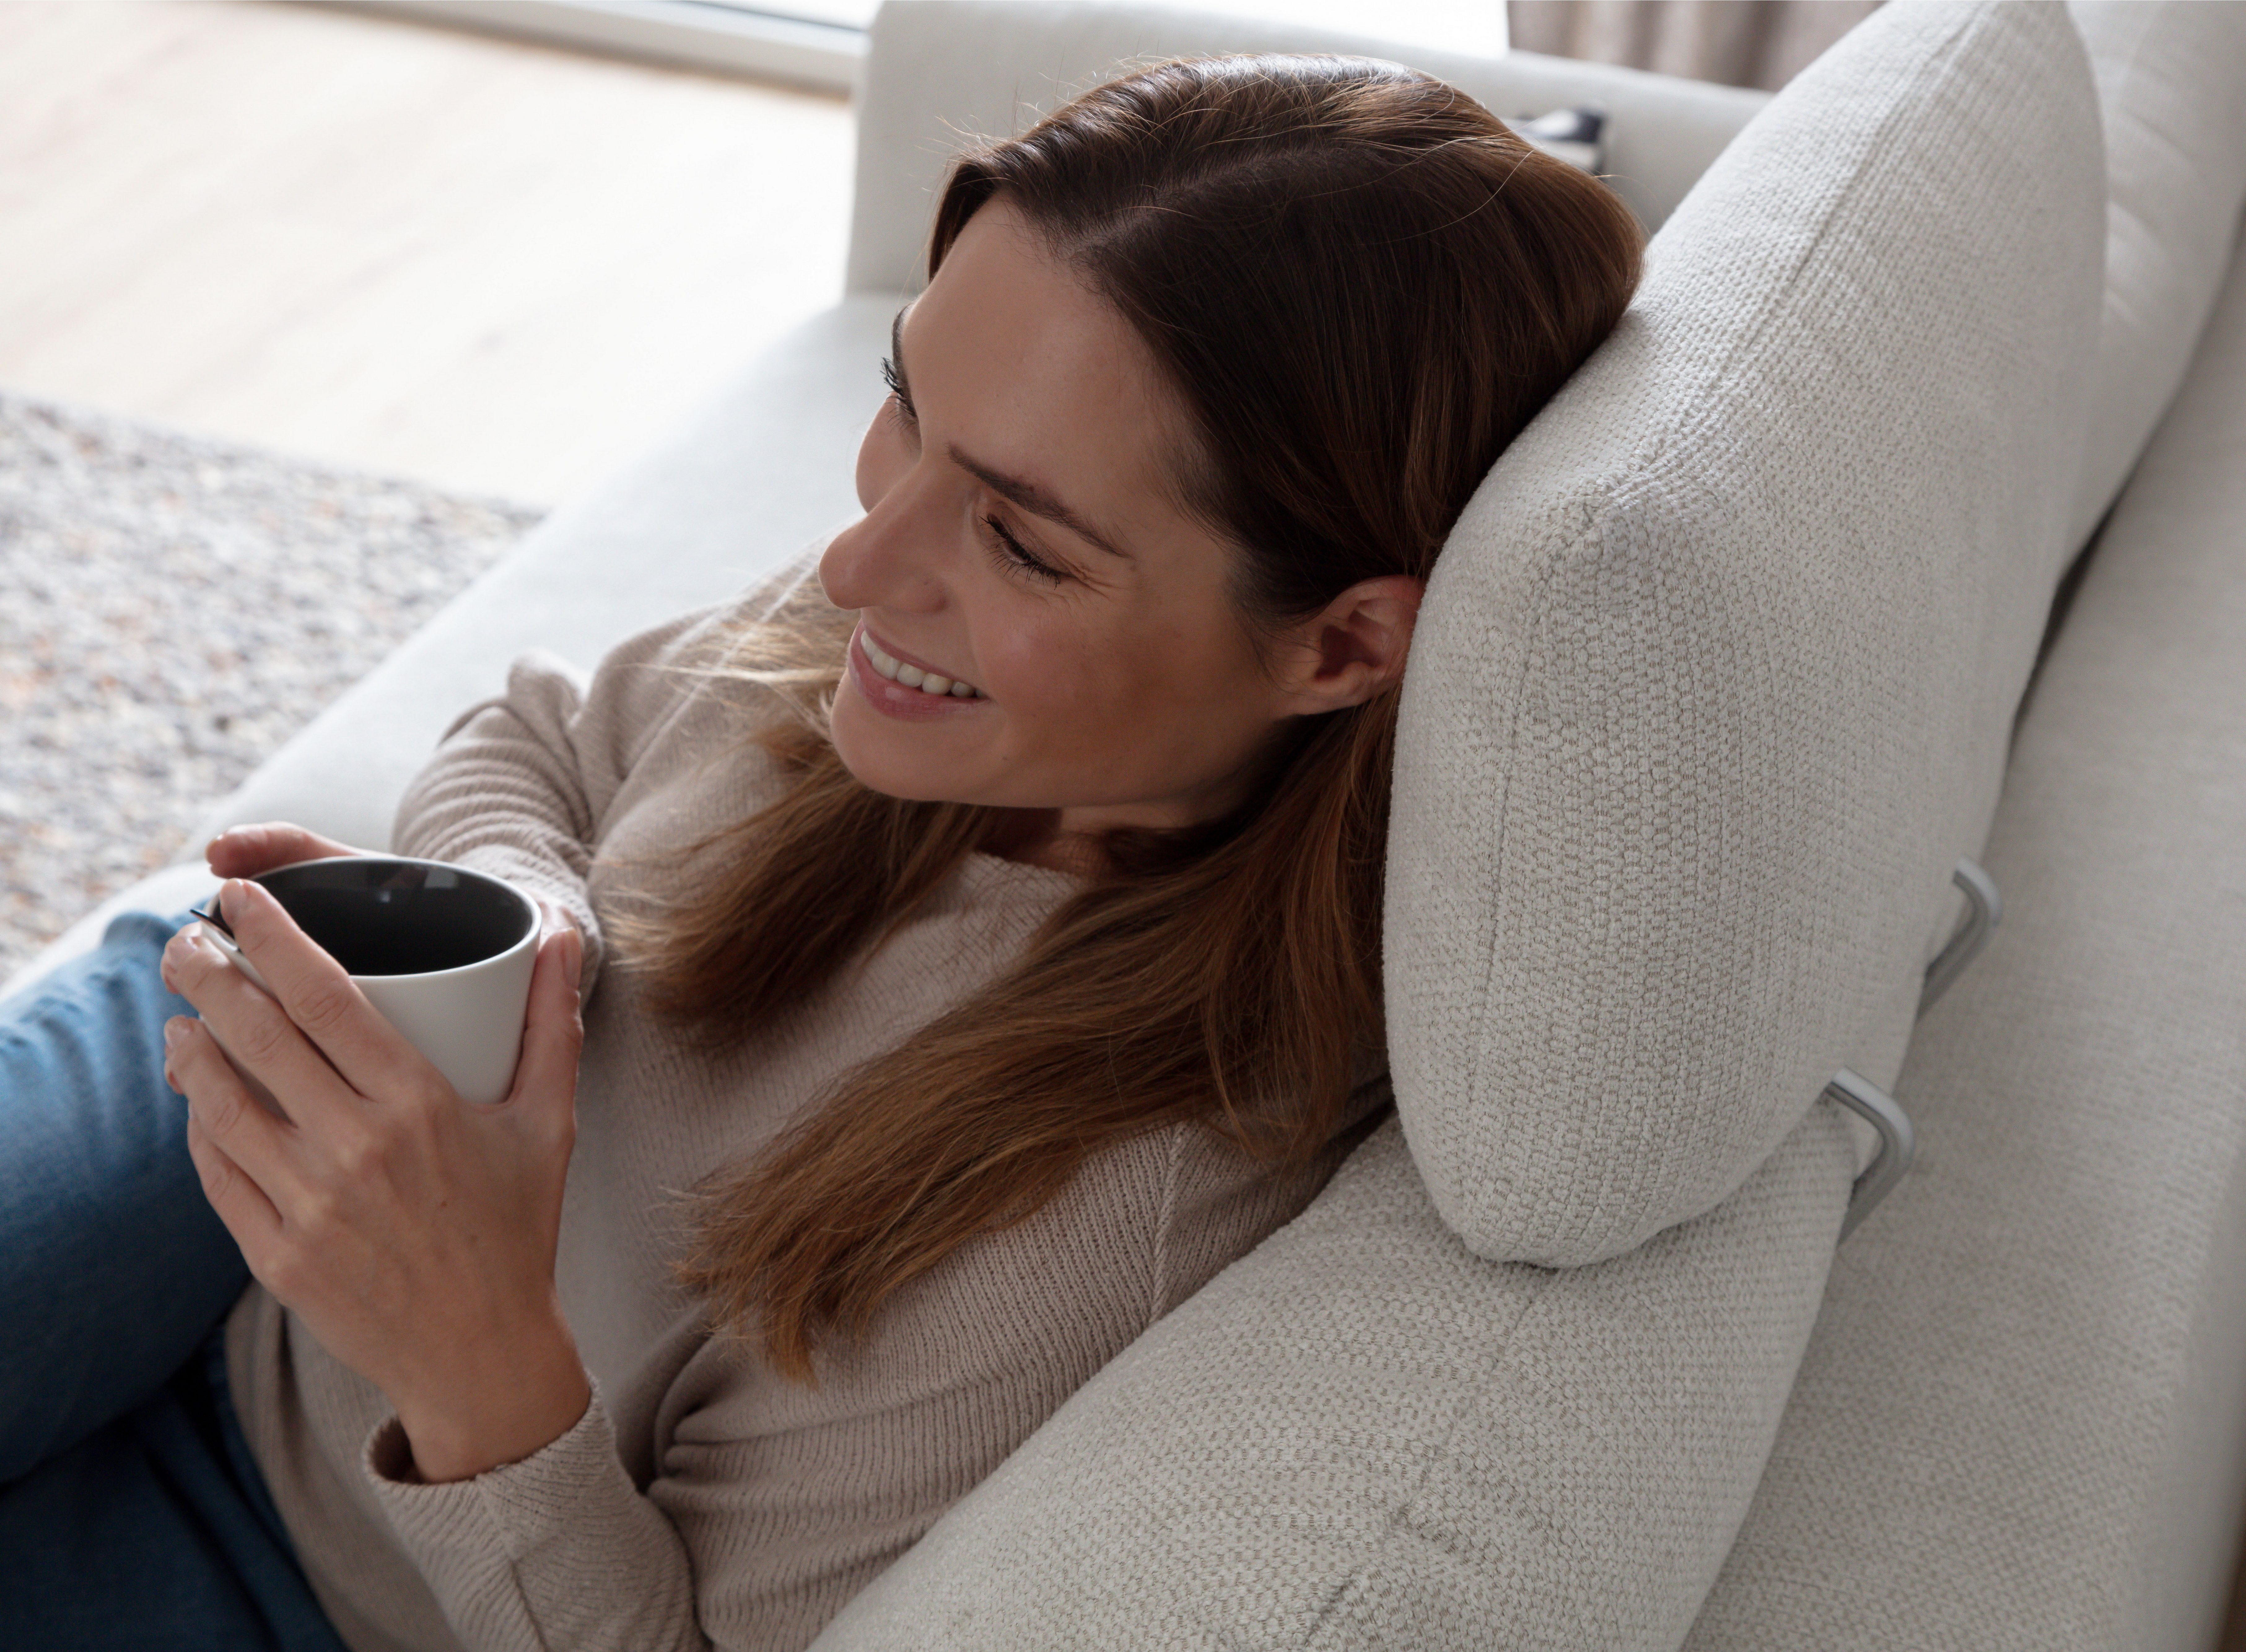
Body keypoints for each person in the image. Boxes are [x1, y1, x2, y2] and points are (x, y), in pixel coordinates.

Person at [0, 51, 1641, 1652]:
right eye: (902, 402)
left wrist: (474, 1358)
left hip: (322, 1588)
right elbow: (548, 737)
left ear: (1342, 647)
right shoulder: (930, 642)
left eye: (1019, 535)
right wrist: (521, 937)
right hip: (201, 1177)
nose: (860, 559)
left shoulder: (1104, 1208)